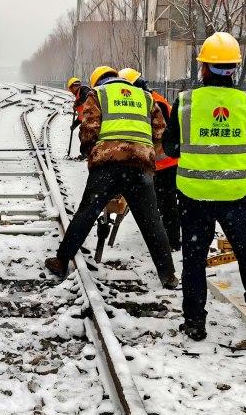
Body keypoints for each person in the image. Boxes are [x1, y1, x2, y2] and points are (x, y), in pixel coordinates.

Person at [162, 32, 246, 341]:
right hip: (235, 195)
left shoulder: (185, 103)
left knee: (194, 260)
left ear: (204, 69)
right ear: (234, 69)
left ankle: (195, 322)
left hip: (194, 194)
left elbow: (170, 147)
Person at [45, 66, 179, 289]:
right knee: (152, 221)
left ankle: (61, 261)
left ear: (98, 82)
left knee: (87, 212)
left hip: (107, 165)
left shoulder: (97, 95)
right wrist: (145, 155)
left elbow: (89, 130)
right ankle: (168, 275)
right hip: (139, 166)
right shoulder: (145, 97)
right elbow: (159, 133)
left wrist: (93, 155)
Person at [120, 68, 181, 251]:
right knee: (161, 202)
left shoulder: (155, 102)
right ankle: (167, 238)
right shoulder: (151, 99)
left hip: (165, 163)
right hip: (159, 162)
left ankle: (172, 242)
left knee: (167, 203)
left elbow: (156, 134)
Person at [66, 76, 92, 154]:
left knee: (85, 136)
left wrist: (77, 103)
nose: (76, 87)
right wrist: (75, 124)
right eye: (75, 85)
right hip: (87, 120)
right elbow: (81, 116)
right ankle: (85, 154)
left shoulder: (84, 90)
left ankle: (85, 154)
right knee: (83, 135)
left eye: (77, 85)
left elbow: (85, 96)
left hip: (92, 119)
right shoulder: (79, 95)